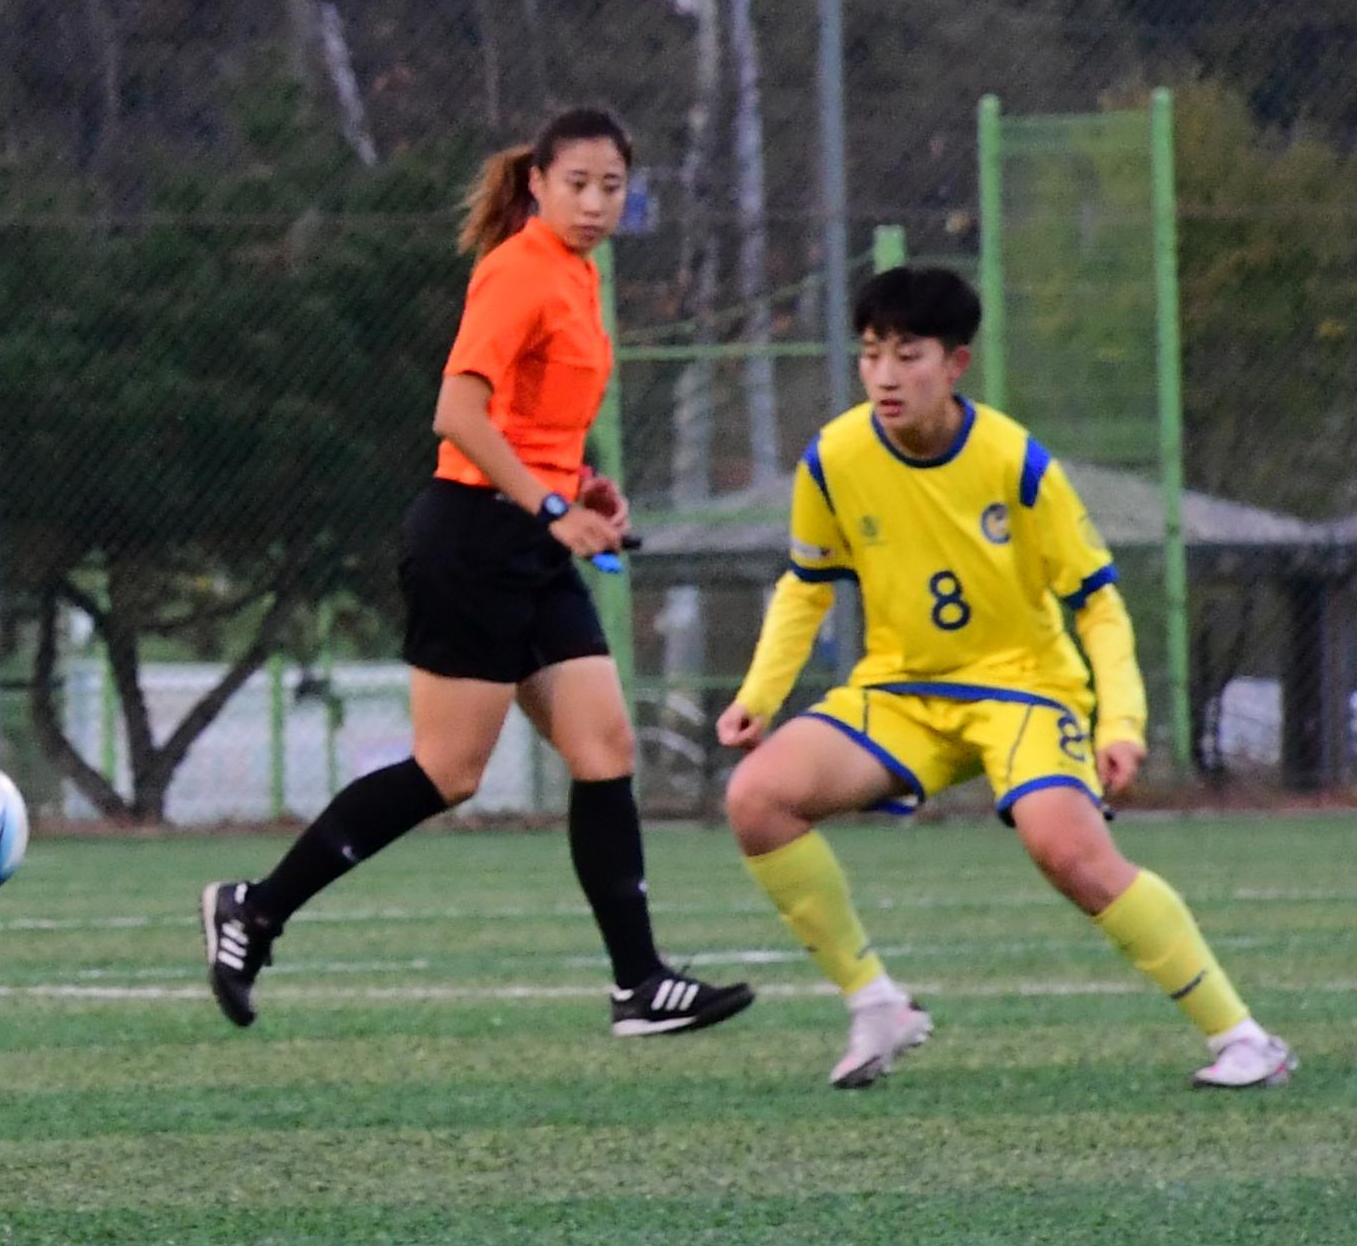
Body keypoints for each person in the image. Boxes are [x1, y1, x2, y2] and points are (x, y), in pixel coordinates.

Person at [202, 107, 752, 1038]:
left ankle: (639, 984)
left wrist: (581, 488)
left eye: (611, 186)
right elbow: (458, 414)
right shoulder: (517, 270)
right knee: (449, 772)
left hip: (529, 545)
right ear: (536, 184)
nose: (592, 201)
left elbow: (535, 429)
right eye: (575, 183)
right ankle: (253, 911)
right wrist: (548, 507)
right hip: (471, 540)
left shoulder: (580, 278)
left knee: (604, 748)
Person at [717, 266, 1292, 1091]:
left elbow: (1097, 603)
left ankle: (1243, 1038)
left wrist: (1120, 724)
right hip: (900, 693)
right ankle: (875, 1003)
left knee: (1067, 850)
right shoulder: (834, 458)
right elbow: (807, 585)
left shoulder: (1017, 464)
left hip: (1025, 690)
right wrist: (759, 697)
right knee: (757, 797)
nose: (883, 374)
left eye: (906, 354)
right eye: (871, 353)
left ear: (954, 366)